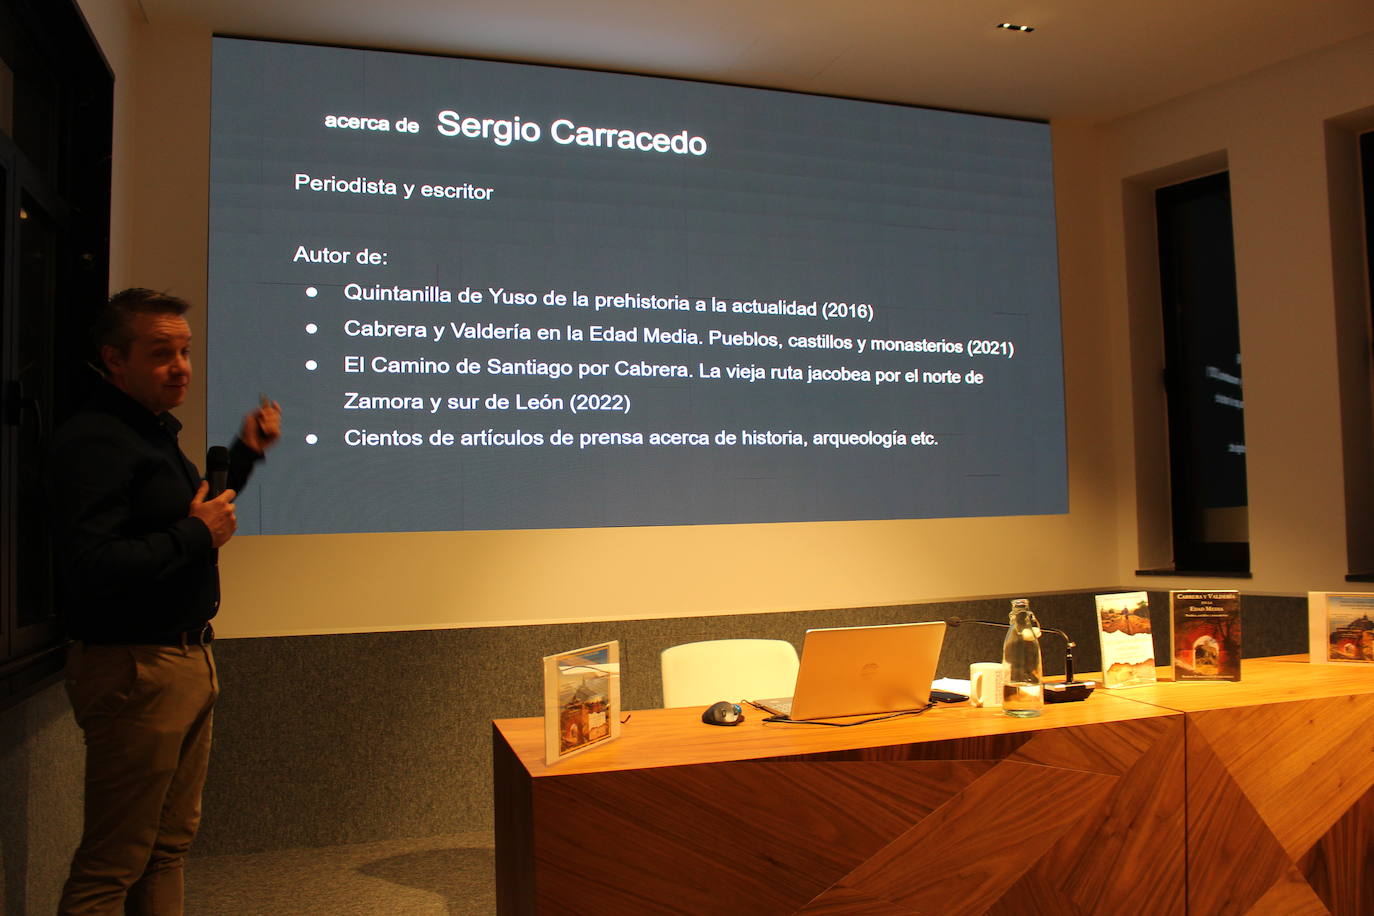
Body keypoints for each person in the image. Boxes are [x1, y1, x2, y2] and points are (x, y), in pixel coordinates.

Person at [49, 288, 281, 915]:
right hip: (134, 669)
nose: (181, 366)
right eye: (161, 354)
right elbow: (91, 566)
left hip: (180, 663)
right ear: (113, 359)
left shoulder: (147, 435)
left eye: (184, 351)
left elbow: (185, 517)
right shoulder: (95, 441)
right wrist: (195, 533)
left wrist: (245, 458)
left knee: (167, 849)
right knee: (113, 863)